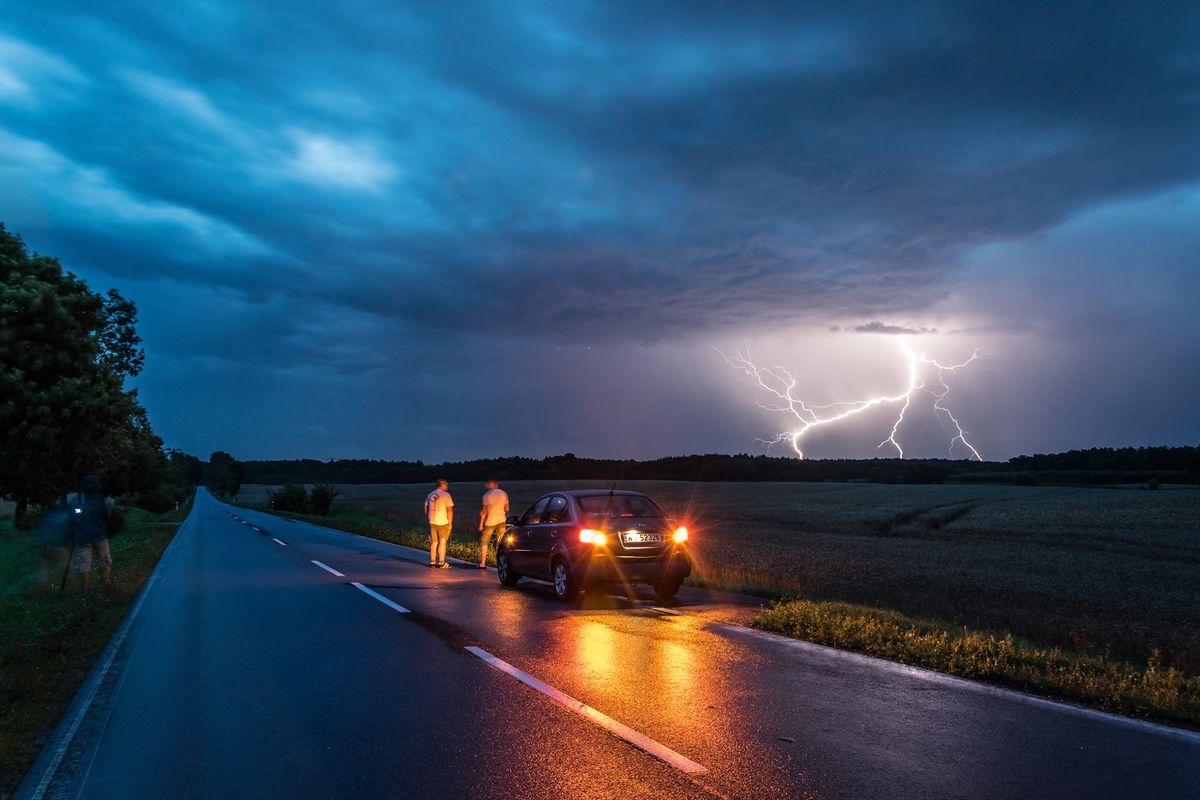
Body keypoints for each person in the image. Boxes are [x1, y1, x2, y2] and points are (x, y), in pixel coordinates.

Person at [72, 475, 113, 591]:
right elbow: (106, 517)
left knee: (84, 563)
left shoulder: (78, 500)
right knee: (104, 560)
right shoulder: (101, 500)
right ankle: (105, 583)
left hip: (83, 537)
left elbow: (73, 518)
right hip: (100, 535)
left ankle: (85, 589)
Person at [35, 495, 71, 588]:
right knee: (68, 565)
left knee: (42, 569)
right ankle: (68, 585)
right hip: (56, 546)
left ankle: (40, 589)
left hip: (43, 546)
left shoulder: (45, 518)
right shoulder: (60, 518)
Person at [477, 478, 509, 569]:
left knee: (484, 541)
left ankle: (482, 563)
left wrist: (480, 525)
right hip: (501, 520)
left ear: (491, 484)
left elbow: (484, 512)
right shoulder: (504, 493)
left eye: (487, 484)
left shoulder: (487, 495)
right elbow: (507, 509)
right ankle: (501, 562)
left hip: (490, 522)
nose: (486, 486)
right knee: (502, 542)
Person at [424, 479, 454, 569]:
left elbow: (425, 506)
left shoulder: (430, 494)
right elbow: (449, 510)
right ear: (442, 485)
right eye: (446, 485)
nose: (447, 486)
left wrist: (428, 516)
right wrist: (450, 522)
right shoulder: (446, 495)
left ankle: (432, 562)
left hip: (432, 521)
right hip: (442, 522)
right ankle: (441, 562)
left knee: (434, 542)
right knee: (442, 541)